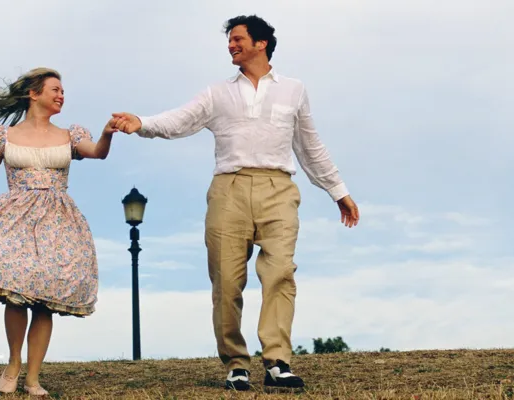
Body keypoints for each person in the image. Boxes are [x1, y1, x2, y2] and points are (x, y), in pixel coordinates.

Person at [112, 15, 360, 392]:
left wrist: (338, 191)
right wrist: (141, 123)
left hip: (279, 189)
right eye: (229, 40)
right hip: (229, 190)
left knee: (280, 272)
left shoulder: (294, 90)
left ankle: (277, 362)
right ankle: (236, 364)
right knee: (227, 281)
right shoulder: (217, 93)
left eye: (238, 39)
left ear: (261, 44)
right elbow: (180, 121)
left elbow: (310, 146)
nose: (231, 45)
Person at [0, 67, 119, 396]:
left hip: (57, 221)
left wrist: (107, 133)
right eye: (55, 89)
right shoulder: (4, 136)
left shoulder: (71, 134)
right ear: (34, 94)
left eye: (63, 91)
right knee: (15, 291)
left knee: (45, 301)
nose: (61, 95)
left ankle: (33, 378)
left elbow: (98, 152)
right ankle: (14, 362)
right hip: (14, 218)